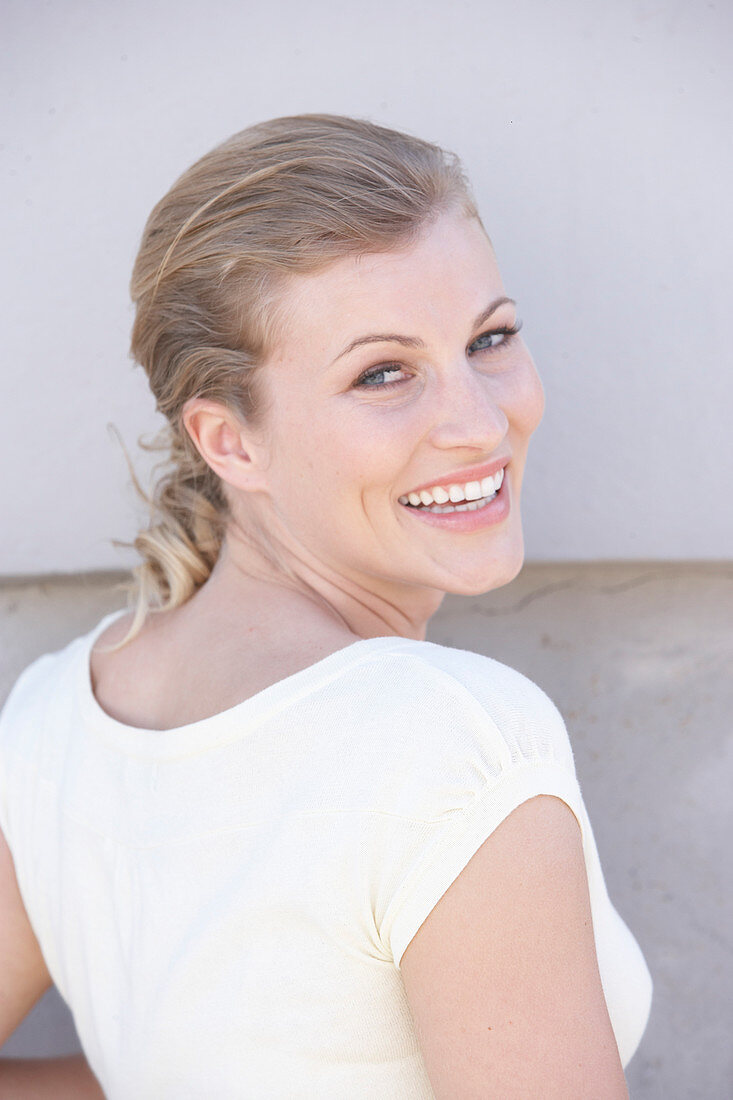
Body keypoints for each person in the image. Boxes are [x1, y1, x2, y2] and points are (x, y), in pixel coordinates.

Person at [0, 114, 652, 1098]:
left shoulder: (53, 718)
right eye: (381, 373)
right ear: (230, 441)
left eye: (491, 337)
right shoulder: (457, 739)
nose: (479, 420)